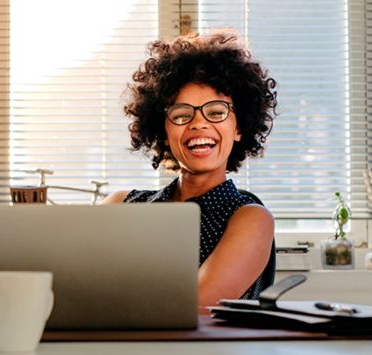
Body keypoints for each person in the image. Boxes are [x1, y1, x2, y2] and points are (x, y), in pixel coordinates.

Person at [100, 29, 278, 314]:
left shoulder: (251, 218)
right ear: (164, 130)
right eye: (182, 115)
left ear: (239, 127)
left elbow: (192, 310)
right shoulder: (120, 204)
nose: (198, 124)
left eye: (216, 112)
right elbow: (74, 289)